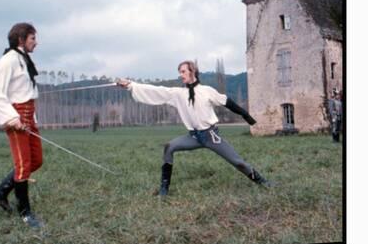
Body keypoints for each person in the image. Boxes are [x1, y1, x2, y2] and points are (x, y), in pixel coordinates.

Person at [116, 60, 273, 197]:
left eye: (183, 71)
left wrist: (246, 116)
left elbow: (227, 102)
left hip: (211, 136)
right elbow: (156, 90)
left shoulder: (207, 91)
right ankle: (164, 188)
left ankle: (262, 182)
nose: (181, 74)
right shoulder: (177, 94)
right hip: (193, 137)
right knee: (169, 148)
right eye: (180, 72)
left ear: (193, 72)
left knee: (238, 162)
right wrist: (130, 85)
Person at [0, 22, 43, 228]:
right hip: (16, 119)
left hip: (29, 117)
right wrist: (12, 119)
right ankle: (25, 214)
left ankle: (0, 193)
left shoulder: (23, 59)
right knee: (23, 166)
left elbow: (24, 93)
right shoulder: (8, 60)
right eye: (32, 38)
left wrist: (31, 118)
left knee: (36, 160)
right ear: (21, 39)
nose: (36, 43)